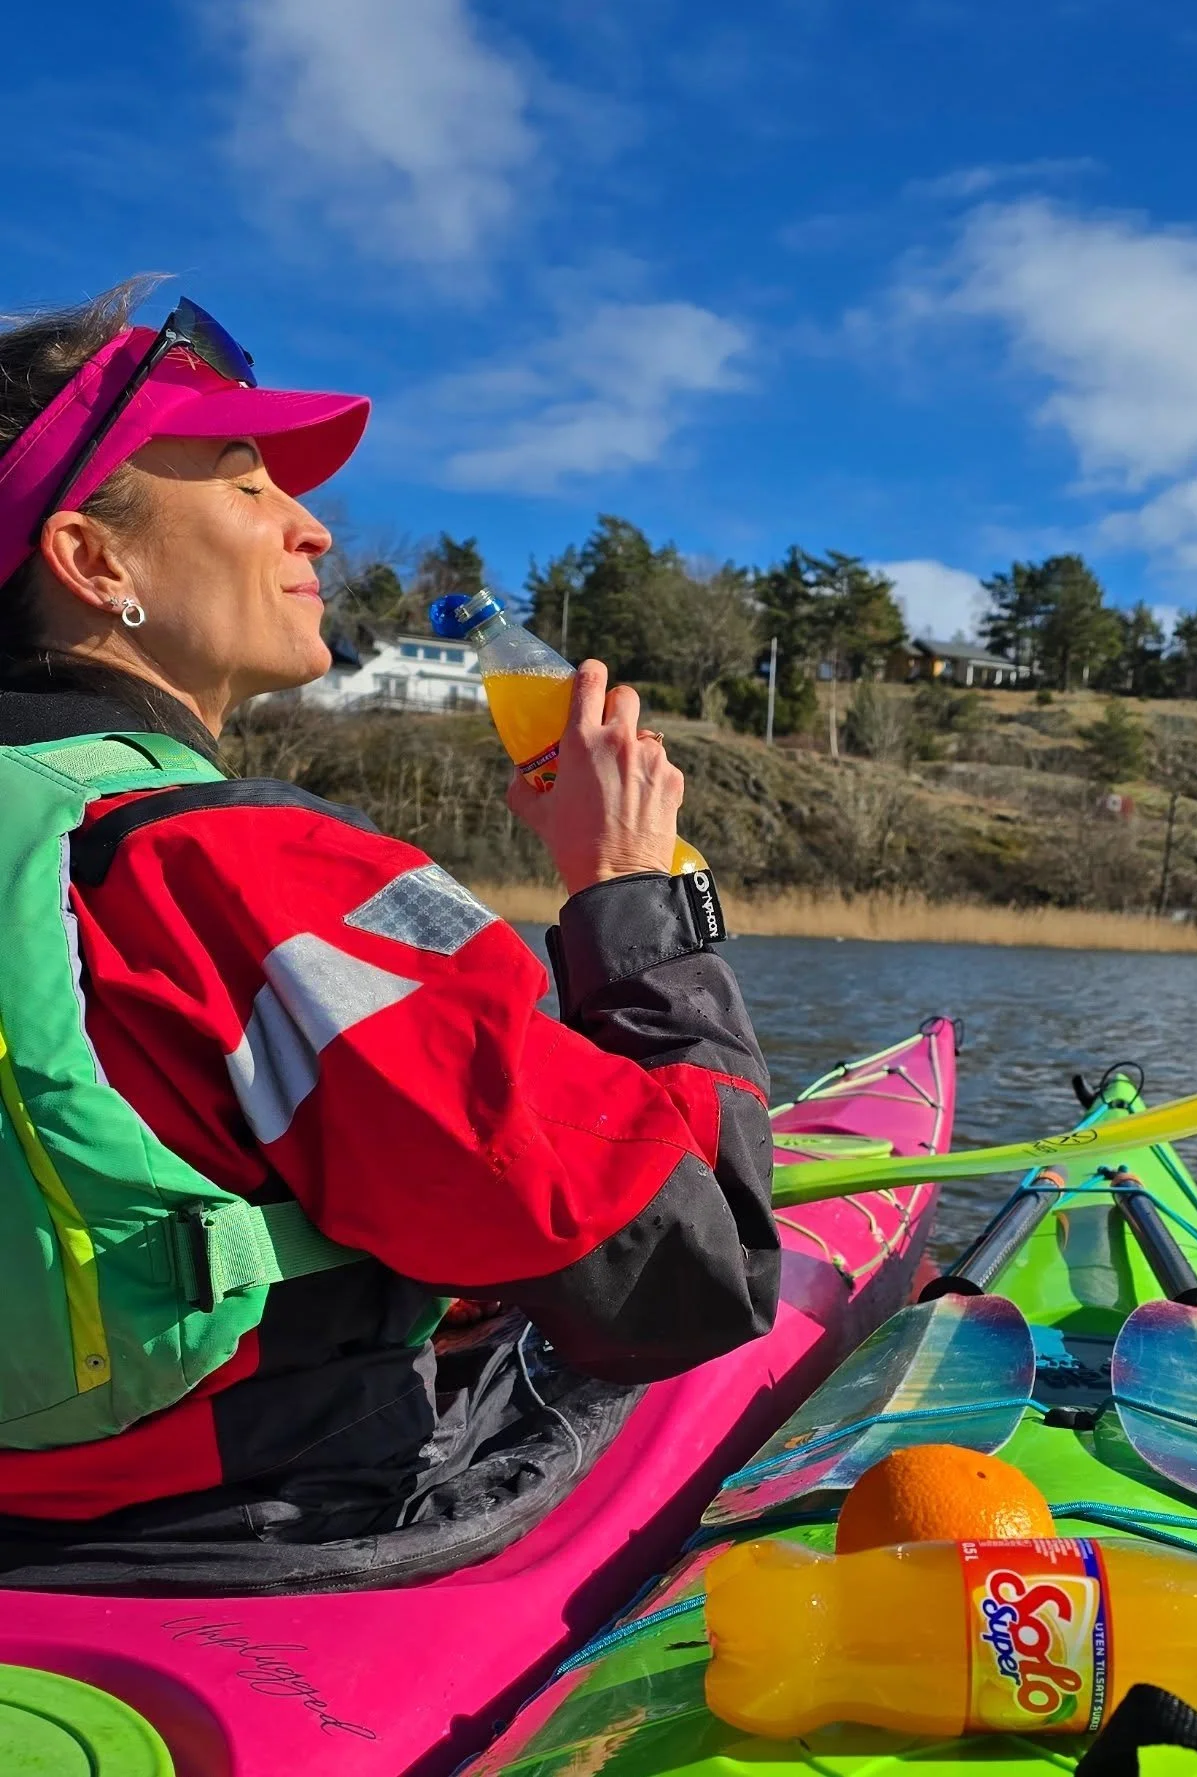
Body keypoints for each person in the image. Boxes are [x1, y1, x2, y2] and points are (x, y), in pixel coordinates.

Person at [0, 281, 779, 1581]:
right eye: (247, 487)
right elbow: (691, 1267)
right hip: (237, 1536)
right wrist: (632, 890)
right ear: (95, 564)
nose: (311, 529)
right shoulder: (233, 864)